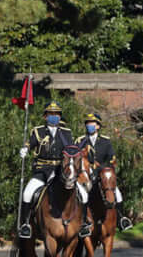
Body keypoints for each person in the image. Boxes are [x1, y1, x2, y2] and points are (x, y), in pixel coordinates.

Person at [18, 101, 90, 239]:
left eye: (56, 114)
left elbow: (70, 151)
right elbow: (31, 143)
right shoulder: (38, 131)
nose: (54, 117)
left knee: (83, 194)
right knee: (27, 193)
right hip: (41, 170)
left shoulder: (66, 133)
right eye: (51, 114)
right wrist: (25, 149)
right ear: (45, 116)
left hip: (59, 171)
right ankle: (25, 224)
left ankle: (84, 223)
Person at [75, 112, 133, 231]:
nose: (89, 125)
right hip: (86, 177)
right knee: (81, 195)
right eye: (88, 123)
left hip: (102, 176)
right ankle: (83, 221)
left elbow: (111, 159)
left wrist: (99, 169)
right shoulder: (80, 141)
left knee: (117, 193)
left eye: (92, 123)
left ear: (98, 126)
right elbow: (76, 158)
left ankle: (121, 219)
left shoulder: (106, 141)